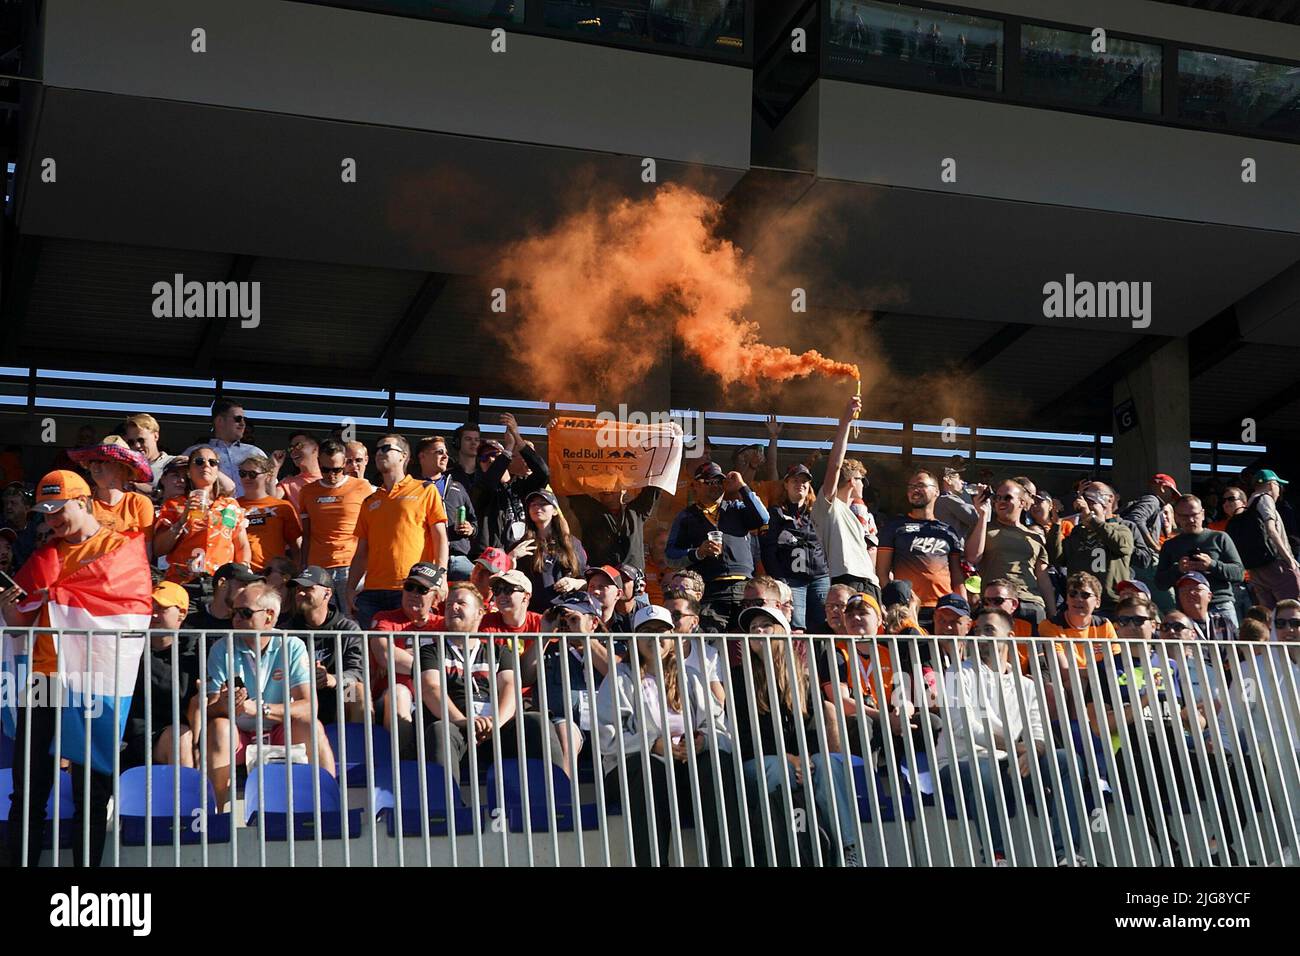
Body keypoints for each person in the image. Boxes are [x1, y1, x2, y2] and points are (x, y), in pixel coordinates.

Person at [1, 469, 153, 867]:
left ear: (83, 502)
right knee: (29, 788)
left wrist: (59, 597)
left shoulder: (121, 548)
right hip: (42, 679)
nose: (52, 520)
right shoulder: (44, 554)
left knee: (92, 787)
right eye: (45, 513)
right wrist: (7, 602)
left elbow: (133, 611)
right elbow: (19, 624)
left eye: (58, 509)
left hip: (93, 681)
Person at [937, 606, 1086, 867]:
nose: (982, 635)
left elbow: (1039, 729)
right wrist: (1016, 747)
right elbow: (963, 727)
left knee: (1067, 760)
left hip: (1009, 762)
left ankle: (1066, 856)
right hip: (960, 764)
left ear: (1010, 635)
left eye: (990, 630)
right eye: (978, 630)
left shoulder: (1026, 684)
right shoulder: (956, 673)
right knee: (985, 771)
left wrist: (1033, 750)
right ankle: (998, 857)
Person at [596, 603, 737, 866]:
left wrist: (702, 741)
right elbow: (608, 738)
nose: (655, 638)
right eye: (646, 631)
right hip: (637, 773)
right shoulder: (620, 679)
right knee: (650, 770)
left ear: (672, 639)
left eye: (662, 631)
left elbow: (720, 729)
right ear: (635, 640)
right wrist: (653, 745)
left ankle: (727, 860)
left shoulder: (692, 677)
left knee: (719, 764)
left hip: (686, 768)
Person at [731, 604, 862, 866]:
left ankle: (847, 849)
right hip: (760, 761)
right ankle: (784, 850)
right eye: (753, 627)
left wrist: (806, 757)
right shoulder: (738, 679)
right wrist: (790, 758)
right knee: (778, 768)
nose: (757, 630)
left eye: (765, 625)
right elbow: (744, 736)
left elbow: (813, 728)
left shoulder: (803, 677)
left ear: (781, 631)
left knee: (828, 763)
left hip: (800, 759)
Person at [1095, 592, 1217, 866]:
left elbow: (1193, 722)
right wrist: (1146, 697)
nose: (1129, 626)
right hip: (1127, 750)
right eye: (1123, 621)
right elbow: (1102, 725)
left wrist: (1200, 714)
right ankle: (1169, 850)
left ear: (1154, 624)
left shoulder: (1172, 666)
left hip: (1175, 745)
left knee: (1235, 767)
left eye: (1138, 620)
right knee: (1144, 753)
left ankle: (1219, 846)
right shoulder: (1104, 668)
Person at [203, 582, 336, 808]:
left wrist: (263, 709)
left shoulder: (291, 645)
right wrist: (224, 705)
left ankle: (331, 806)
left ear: (269, 616)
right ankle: (215, 814)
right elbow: (209, 709)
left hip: (279, 728)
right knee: (218, 728)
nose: (236, 619)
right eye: (233, 612)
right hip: (240, 733)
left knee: (312, 725)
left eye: (244, 613)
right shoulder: (221, 648)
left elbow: (309, 705)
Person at [418, 583, 554, 774]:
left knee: (536, 722)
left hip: (497, 728)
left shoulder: (498, 651)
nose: (452, 608)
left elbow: (510, 687)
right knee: (440, 730)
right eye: (449, 604)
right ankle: (446, 802)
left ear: (480, 613)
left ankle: (557, 797)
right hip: (457, 728)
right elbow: (431, 689)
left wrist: (495, 724)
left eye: (461, 603)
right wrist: (465, 722)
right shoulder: (431, 651)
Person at [346, 434, 449, 628]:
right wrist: (350, 588)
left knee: (412, 651)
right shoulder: (369, 501)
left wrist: (441, 576)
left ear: (403, 456)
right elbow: (361, 552)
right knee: (370, 654)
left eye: (386, 448)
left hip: (413, 589)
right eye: (377, 450)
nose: (379, 453)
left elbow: (440, 538)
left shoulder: (425, 489)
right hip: (372, 591)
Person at [666, 461, 769, 633]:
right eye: (709, 481)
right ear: (696, 485)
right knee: (711, 642)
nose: (715, 486)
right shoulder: (686, 516)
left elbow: (763, 518)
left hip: (743, 589)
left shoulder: (736, 507)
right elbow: (670, 555)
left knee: (745, 643)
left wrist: (742, 486)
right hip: (710, 589)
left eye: (719, 481)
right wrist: (698, 552)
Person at [521, 590, 616, 773]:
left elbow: (617, 674)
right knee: (565, 730)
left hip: (607, 726)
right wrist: (545, 634)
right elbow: (524, 677)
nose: (567, 624)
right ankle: (565, 795)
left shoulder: (613, 646)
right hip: (565, 729)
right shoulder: (547, 649)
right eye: (562, 618)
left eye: (574, 618)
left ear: (594, 622)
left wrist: (584, 637)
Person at [877, 469, 977, 631]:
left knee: (943, 655)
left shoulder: (947, 531)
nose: (914, 490)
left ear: (937, 491)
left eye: (921, 485)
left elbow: (957, 575)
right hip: (908, 609)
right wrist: (895, 605)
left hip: (945, 609)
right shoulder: (894, 527)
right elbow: (882, 572)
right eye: (911, 486)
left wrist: (963, 607)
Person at [370, 563, 449, 754]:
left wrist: (405, 661)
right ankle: (402, 761)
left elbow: (454, 664)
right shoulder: (385, 618)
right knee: (399, 692)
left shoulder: (444, 625)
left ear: (436, 598)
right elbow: (385, 655)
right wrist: (431, 667)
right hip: (389, 699)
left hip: (435, 698)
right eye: (409, 587)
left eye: (422, 589)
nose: (414, 593)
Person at [122, 582, 201, 769]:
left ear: (182, 613)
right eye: (150, 607)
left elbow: (179, 691)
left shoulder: (197, 649)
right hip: (131, 735)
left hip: (176, 735)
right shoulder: (128, 645)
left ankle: (188, 798)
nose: (154, 613)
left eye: (162, 608)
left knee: (182, 737)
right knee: (181, 737)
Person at [813, 395, 880, 601]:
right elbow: (834, 466)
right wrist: (845, 423)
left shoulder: (861, 514)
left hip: (870, 582)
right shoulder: (829, 507)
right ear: (852, 481)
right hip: (845, 580)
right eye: (862, 480)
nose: (864, 486)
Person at [280, 565, 366, 725]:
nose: (300, 593)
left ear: (327, 593)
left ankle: (357, 747)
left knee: (356, 690)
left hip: (337, 696)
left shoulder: (347, 628)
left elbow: (357, 672)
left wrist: (331, 679)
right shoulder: (285, 630)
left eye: (308, 588)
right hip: (297, 697)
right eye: (298, 589)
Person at [153, 446, 250, 583]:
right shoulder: (173, 505)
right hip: (182, 581)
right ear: (189, 472)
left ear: (217, 471)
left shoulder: (230, 505)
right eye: (199, 462)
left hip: (221, 582)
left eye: (212, 462)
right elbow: (158, 549)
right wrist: (181, 521)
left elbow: (241, 545)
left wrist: (243, 570)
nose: (206, 465)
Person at [970, 479, 1055, 627]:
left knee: (1033, 651)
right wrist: (983, 515)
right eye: (997, 497)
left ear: (1022, 502)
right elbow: (973, 557)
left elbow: (1043, 578)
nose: (1001, 501)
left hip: (1031, 602)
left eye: (1008, 497)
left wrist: (1053, 614)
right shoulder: (985, 528)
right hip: (996, 601)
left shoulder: (1035, 537)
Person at [299, 438, 373, 602]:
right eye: (326, 470)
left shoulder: (362, 487)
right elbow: (306, 534)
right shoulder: (307, 491)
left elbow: (372, 529)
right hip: (318, 566)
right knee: (321, 619)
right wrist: (303, 565)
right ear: (318, 463)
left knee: (352, 617)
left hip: (351, 565)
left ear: (345, 463)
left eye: (337, 470)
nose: (332, 475)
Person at [1154, 494, 1244, 627]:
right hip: (1186, 609)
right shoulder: (1170, 545)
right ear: (1177, 517)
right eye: (1184, 516)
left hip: (1220, 605)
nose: (1190, 520)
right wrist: (1178, 569)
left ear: (1202, 514)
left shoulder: (1219, 538)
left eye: (1194, 514)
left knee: (1226, 647)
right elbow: (1160, 583)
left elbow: (1239, 573)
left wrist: (1211, 565)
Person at [762, 463, 831, 633]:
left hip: (820, 577)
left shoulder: (818, 512)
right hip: (791, 579)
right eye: (795, 480)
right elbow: (768, 550)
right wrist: (780, 579)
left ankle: (824, 660)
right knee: (796, 628)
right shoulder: (775, 513)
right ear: (785, 484)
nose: (800, 484)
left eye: (804, 481)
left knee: (824, 625)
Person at [470, 417, 551, 552]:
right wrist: (507, 448)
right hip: (494, 560)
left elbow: (543, 473)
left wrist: (517, 439)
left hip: (526, 555)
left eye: (495, 455)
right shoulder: (479, 488)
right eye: (484, 458)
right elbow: (489, 483)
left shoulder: (521, 486)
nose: (490, 459)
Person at [1061, 480, 1134, 618]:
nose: (1086, 508)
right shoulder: (1077, 533)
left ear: (1108, 501)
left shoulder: (1121, 527)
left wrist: (1093, 520)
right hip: (1080, 602)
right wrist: (1054, 525)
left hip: (1111, 604)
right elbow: (1058, 559)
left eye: (1092, 502)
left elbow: (1122, 546)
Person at [1230, 469, 1300, 609]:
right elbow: (1271, 529)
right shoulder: (1265, 498)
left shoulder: (1249, 505)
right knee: (1292, 609)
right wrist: (1289, 559)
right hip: (1276, 564)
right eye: (1278, 486)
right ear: (1271, 485)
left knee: (1270, 614)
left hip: (1257, 569)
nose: (1279, 491)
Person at [513, 488, 587, 611]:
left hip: (565, 611)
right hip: (531, 613)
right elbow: (506, 578)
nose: (537, 507)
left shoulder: (571, 543)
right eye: (533, 504)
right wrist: (512, 556)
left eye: (543, 503)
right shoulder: (522, 544)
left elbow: (585, 579)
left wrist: (574, 583)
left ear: (554, 511)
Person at [415, 435, 476, 581]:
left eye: (446, 453)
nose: (445, 456)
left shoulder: (458, 487)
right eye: (439, 452)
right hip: (423, 558)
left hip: (457, 558)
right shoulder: (412, 488)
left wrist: (471, 529)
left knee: (483, 582)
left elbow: (474, 521)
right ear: (422, 456)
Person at [564, 483, 661, 571]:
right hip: (601, 579)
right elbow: (570, 485)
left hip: (632, 580)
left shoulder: (636, 512)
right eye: (603, 483)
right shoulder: (590, 511)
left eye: (614, 483)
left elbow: (654, 487)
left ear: (624, 489)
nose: (607, 488)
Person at [70, 437, 156, 536]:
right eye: (92, 461)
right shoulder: (83, 502)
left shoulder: (139, 503)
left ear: (121, 468)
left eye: (103, 461)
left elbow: (146, 548)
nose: (94, 465)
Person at [236, 454, 302, 571]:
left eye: (252, 474)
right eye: (243, 474)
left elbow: (295, 546)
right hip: (241, 572)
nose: (247, 478)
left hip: (273, 573)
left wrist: (295, 571)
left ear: (268, 476)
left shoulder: (282, 506)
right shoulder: (233, 505)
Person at [184, 398, 268, 487]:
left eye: (244, 420)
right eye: (238, 419)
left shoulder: (255, 452)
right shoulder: (194, 453)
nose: (243, 424)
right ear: (220, 421)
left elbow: (270, 486)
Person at [188, 561, 264, 631]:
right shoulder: (190, 621)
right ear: (222, 583)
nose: (248, 591)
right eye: (245, 585)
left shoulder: (246, 624)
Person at [480, 568, 544, 644]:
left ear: (526, 596)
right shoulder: (487, 622)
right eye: (497, 590)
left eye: (508, 589)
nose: (501, 595)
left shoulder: (541, 622)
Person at [1173, 571, 1237, 643]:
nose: (1190, 593)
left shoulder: (1224, 622)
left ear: (1209, 596)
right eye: (1184, 590)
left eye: (1196, 589)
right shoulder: (1175, 627)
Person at [122, 412, 175, 491]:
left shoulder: (173, 464)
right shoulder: (124, 468)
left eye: (141, 440)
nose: (137, 446)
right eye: (131, 442)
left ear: (156, 436)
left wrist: (153, 491)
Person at [274, 432, 321, 514]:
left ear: (316, 449)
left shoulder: (332, 477)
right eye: (291, 448)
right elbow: (270, 502)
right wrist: (274, 468)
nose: (293, 451)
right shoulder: (287, 483)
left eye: (298, 446)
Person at [935, 464, 981, 542]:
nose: (962, 482)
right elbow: (976, 519)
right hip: (954, 547)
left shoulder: (938, 499)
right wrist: (981, 497)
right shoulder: (948, 500)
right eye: (959, 478)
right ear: (947, 480)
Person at [449, 422, 481, 491]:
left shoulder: (485, 473)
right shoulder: (448, 476)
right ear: (458, 443)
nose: (474, 443)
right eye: (468, 439)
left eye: (477, 440)